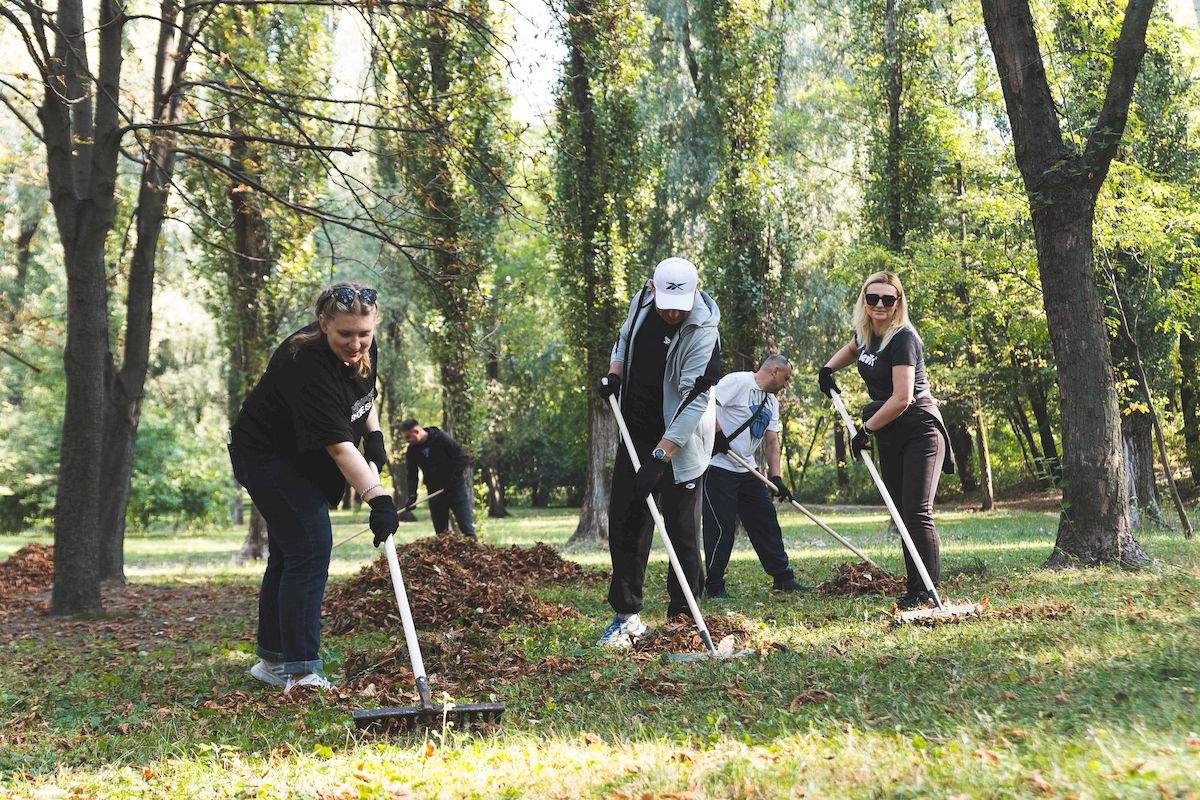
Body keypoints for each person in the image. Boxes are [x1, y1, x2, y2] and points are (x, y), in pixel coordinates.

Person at [228, 282, 399, 692]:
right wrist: (377, 497)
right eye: (345, 335)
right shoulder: (304, 362)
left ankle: (273, 662)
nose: (356, 344)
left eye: (364, 333)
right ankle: (301, 672)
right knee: (310, 546)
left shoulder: (361, 346)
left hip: (302, 458)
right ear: (323, 324)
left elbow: (362, 394)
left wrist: (374, 435)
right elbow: (340, 449)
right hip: (266, 457)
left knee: (289, 554)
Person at [596, 256, 721, 647]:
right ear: (653, 288)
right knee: (626, 523)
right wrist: (616, 372)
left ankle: (684, 619)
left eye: (679, 307)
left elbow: (694, 401)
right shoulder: (642, 301)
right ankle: (626, 616)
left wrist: (661, 455)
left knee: (682, 531)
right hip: (634, 431)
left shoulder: (703, 331)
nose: (671, 313)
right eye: (666, 304)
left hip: (681, 442)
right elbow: (623, 337)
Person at [818, 270, 954, 609]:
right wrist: (827, 370)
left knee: (917, 511)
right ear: (864, 300)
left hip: (920, 428)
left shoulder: (903, 338)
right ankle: (915, 588)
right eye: (873, 297)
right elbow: (852, 350)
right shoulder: (866, 334)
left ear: (897, 303)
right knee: (900, 512)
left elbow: (902, 398)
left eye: (888, 299)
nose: (880, 304)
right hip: (890, 429)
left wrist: (866, 430)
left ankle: (926, 591)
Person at [702, 354, 809, 598]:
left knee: (766, 521)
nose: (787, 385)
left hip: (748, 469)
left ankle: (783, 577)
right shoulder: (738, 382)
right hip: (718, 467)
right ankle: (714, 584)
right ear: (775, 371)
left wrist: (777, 478)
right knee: (721, 528)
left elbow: (772, 442)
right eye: (786, 378)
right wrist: (716, 435)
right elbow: (707, 405)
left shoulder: (772, 403)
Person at [400, 419, 475, 540]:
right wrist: (412, 496)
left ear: (417, 431)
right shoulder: (412, 451)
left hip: (455, 489)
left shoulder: (441, 438)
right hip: (435, 492)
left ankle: (475, 556)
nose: (407, 440)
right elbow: (412, 475)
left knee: (467, 530)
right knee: (441, 534)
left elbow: (462, 457)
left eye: (408, 436)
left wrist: (453, 479)